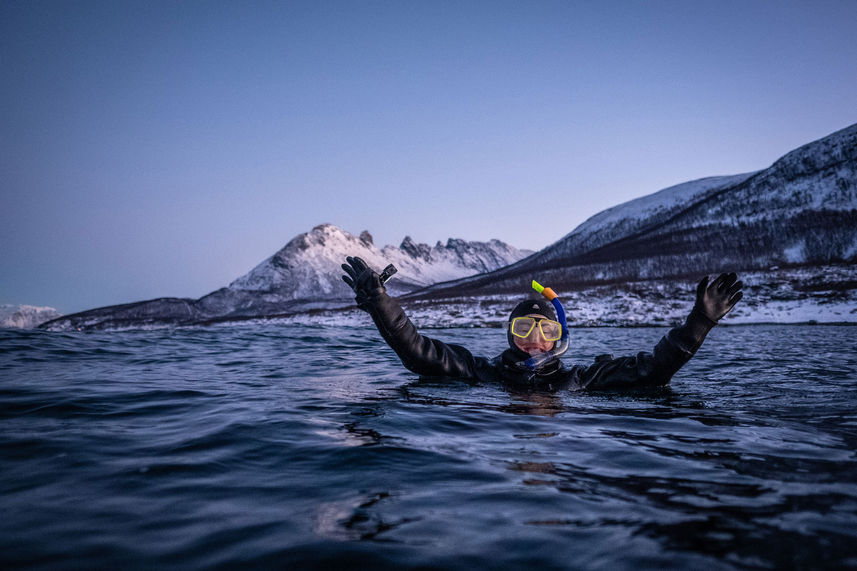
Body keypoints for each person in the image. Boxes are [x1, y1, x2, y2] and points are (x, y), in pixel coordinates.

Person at [341, 256, 743, 391]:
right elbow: (419, 352)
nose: (535, 340)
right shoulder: (482, 374)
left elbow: (654, 371)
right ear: (510, 335)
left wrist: (700, 321)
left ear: (558, 339)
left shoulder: (581, 381)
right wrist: (381, 304)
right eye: (524, 329)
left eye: (546, 331)